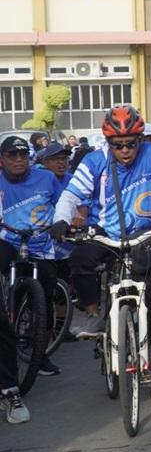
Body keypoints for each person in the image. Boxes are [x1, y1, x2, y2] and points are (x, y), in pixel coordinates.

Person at [50, 105, 151, 401]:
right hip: (107, 233)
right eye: (117, 145)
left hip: (144, 236)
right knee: (80, 259)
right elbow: (70, 195)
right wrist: (61, 219)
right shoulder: (95, 161)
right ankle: (94, 315)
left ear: (140, 140)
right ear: (108, 143)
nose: (125, 150)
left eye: (131, 143)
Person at [0, 136, 65, 377]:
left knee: (44, 302)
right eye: (12, 155)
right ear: (2, 159)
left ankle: (41, 355)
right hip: (7, 240)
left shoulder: (46, 178)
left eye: (23, 155)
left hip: (42, 245)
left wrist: (69, 221)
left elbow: (64, 204)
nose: (19, 160)